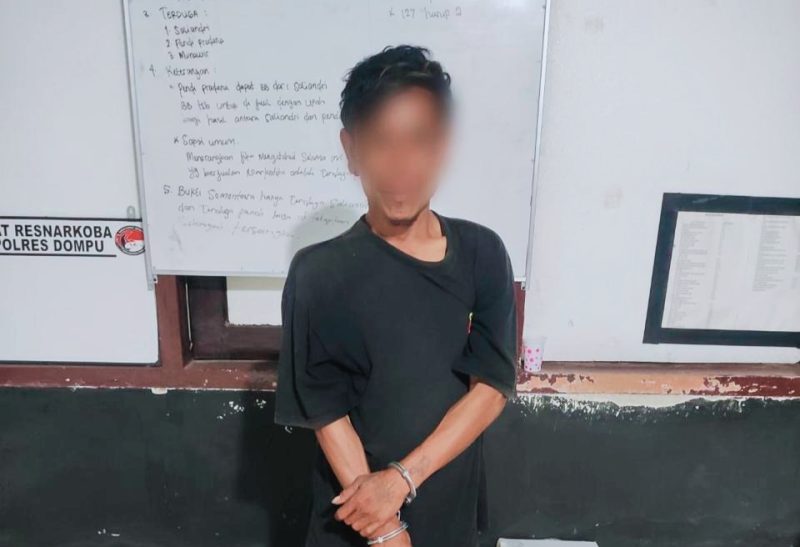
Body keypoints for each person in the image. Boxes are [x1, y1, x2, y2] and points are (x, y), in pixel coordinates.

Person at [274, 44, 518, 547]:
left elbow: (491, 386)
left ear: (442, 147)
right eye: (380, 141)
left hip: (447, 509)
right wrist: (387, 529)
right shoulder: (319, 271)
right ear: (351, 149)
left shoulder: (482, 253)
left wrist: (402, 480)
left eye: (418, 141)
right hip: (355, 519)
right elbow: (324, 409)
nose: (401, 165)